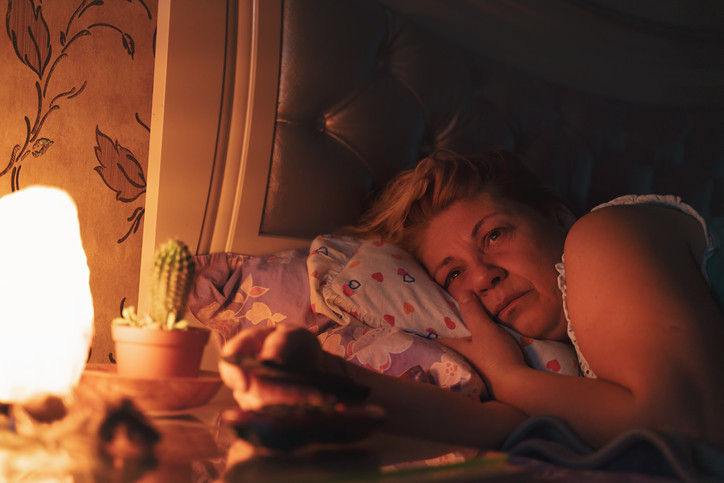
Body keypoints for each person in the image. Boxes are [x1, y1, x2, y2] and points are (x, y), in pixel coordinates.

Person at [218, 149, 724, 451]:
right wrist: (337, 382)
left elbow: (682, 426)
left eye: (495, 235)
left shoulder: (602, 235)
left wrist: (509, 377)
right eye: (453, 271)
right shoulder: (562, 360)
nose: (482, 276)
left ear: (557, 216)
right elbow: (506, 427)